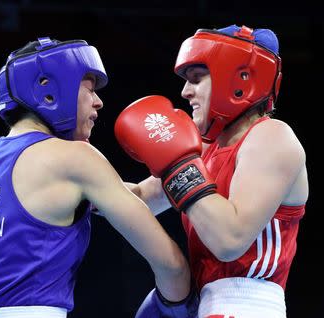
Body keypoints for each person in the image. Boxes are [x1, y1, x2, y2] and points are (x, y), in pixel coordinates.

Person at [0, 37, 193, 318]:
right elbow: (171, 264)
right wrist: (174, 307)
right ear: (49, 88)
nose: (99, 101)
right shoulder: (76, 159)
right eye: (89, 88)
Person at [115, 25, 308, 318]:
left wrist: (178, 165)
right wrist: (85, 185)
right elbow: (140, 198)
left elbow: (229, 239)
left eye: (196, 79)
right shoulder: (205, 151)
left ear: (241, 78)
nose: (185, 91)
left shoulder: (272, 137)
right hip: (206, 305)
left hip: (249, 305)